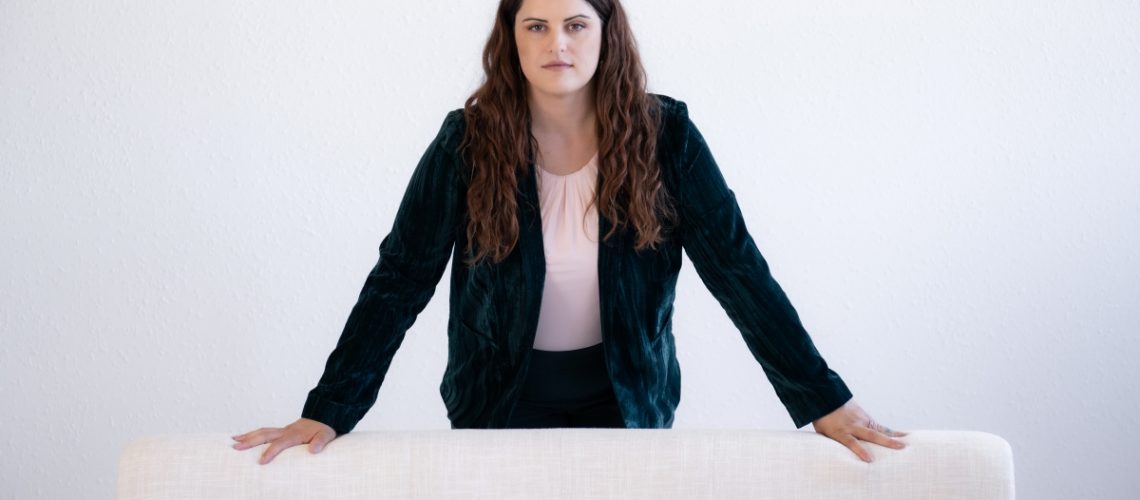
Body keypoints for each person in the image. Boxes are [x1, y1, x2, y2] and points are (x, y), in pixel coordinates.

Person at [233, 0, 908, 466]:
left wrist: (822, 399)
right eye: (536, 26)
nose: (557, 43)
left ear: (606, 33)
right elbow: (400, 277)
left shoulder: (666, 137)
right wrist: (330, 410)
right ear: (512, 38)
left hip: (627, 397)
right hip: (499, 399)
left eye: (575, 24)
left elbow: (740, 273)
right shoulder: (466, 141)